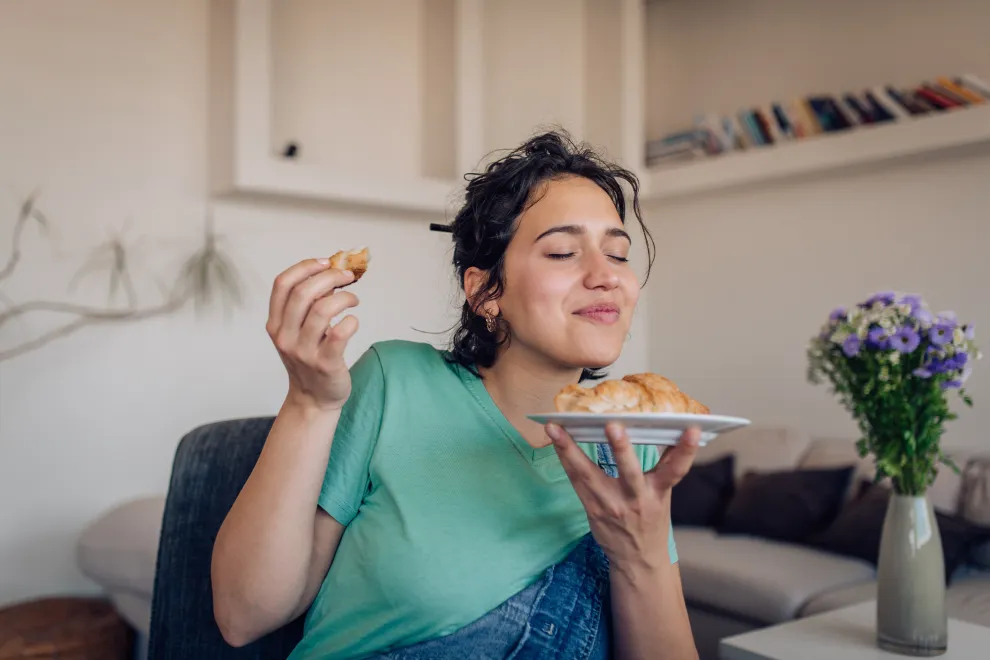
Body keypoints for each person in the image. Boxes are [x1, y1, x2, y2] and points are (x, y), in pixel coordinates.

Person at [211, 130, 701, 660]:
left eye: (618, 253)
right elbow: (244, 616)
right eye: (562, 251)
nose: (607, 276)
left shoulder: (633, 437)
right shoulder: (395, 381)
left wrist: (642, 556)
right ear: (486, 291)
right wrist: (310, 404)